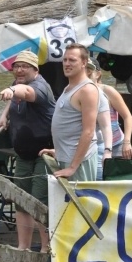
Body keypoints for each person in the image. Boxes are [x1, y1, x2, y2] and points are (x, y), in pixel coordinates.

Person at [0, 51, 55, 252]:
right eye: (16, 66)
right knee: (21, 200)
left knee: (39, 200)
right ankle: (23, 247)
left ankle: (46, 248)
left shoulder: (39, 87)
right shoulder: (17, 82)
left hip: (44, 153)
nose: (20, 70)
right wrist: (5, 115)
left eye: (25, 66)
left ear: (35, 70)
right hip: (23, 154)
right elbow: (17, 92)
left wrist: (13, 90)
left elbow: (25, 92)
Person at [40, 43, 99, 182]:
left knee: (81, 202)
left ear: (84, 62)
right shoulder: (69, 87)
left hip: (79, 163)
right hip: (66, 157)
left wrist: (73, 167)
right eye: (65, 60)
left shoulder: (87, 90)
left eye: (72, 60)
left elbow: (89, 131)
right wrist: (58, 152)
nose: (67, 64)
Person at [89, 58, 132, 160]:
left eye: (89, 73)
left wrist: (127, 142)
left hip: (116, 144)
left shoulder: (108, 91)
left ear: (98, 74)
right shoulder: (78, 92)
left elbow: (127, 117)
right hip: (93, 146)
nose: (86, 77)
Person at [86, 58, 112, 180]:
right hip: (77, 149)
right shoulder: (70, 90)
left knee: (96, 183)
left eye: (89, 71)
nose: (86, 74)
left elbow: (107, 126)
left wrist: (108, 150)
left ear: (97, 74)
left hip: (99, 146)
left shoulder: (102, 92)